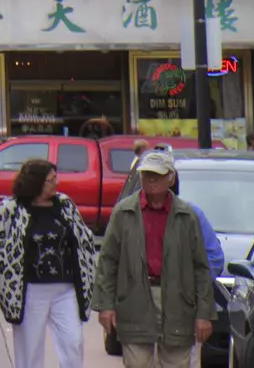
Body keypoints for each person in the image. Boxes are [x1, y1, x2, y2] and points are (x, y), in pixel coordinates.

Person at [92, 149, 213, 368]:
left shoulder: (186, 215)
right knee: (137, 362)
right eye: (147, 174)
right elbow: (108, 261)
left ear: (171, 178)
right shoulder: (124, 212)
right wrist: (105, 305)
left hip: (178, 300)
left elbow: (201, 268)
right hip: (135, 297)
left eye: (157, 175)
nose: (151, 180)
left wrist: (204, 313)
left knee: (176, 362)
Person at [0, 158, 98, 368]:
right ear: (35, 182)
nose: (56, 183)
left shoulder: (65, 204)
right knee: (30, 351)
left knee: (73, 342)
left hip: (65, 289)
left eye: (55, 178)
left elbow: (84, 239)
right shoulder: (11, 208)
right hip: (30, 290)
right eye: (50, 180)